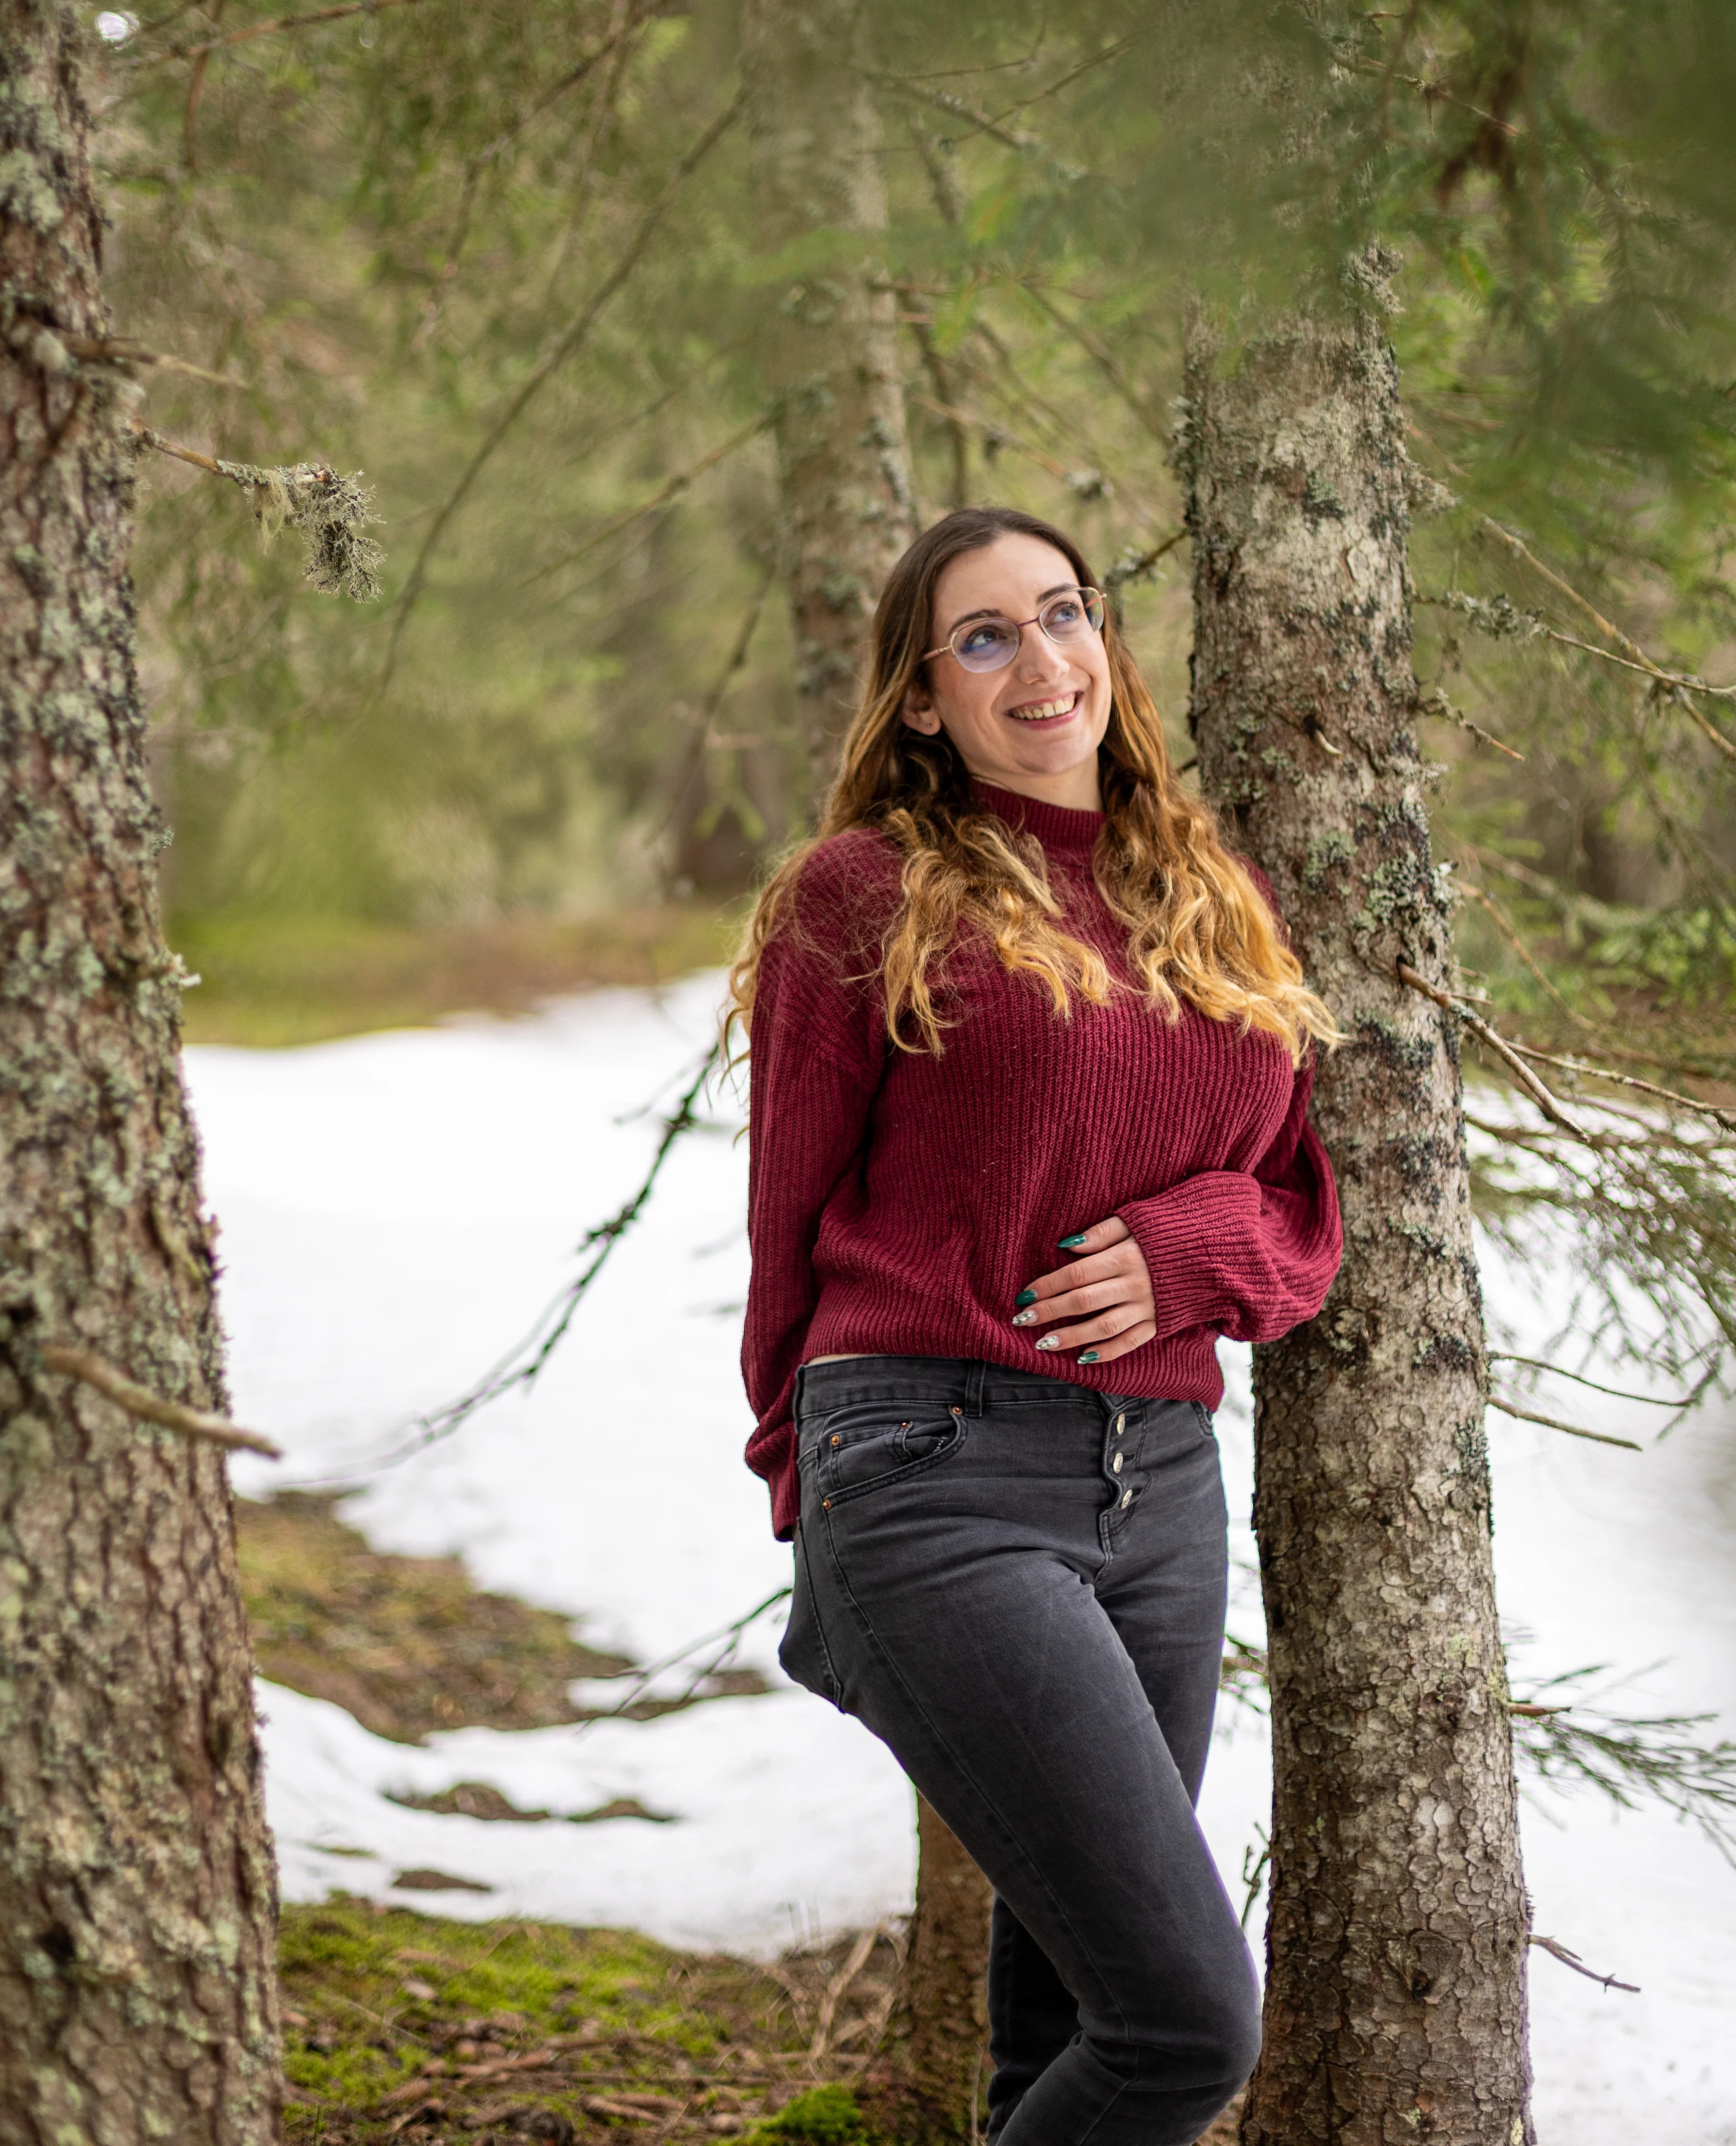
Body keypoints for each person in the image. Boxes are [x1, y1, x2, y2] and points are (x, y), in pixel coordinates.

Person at [726, 506, 1343, 2146]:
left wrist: (1193, 1250)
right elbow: (785, 1223)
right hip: (933, 1467)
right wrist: (813, 1493)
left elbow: (1299, 1205)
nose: (1042, 660)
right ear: (924, 699)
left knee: (1075, 2020)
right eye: (984, 637)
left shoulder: (1212, 895)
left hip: (1163, 1483)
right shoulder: (863, 894)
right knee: (1187, 2027)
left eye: (1063, 613)